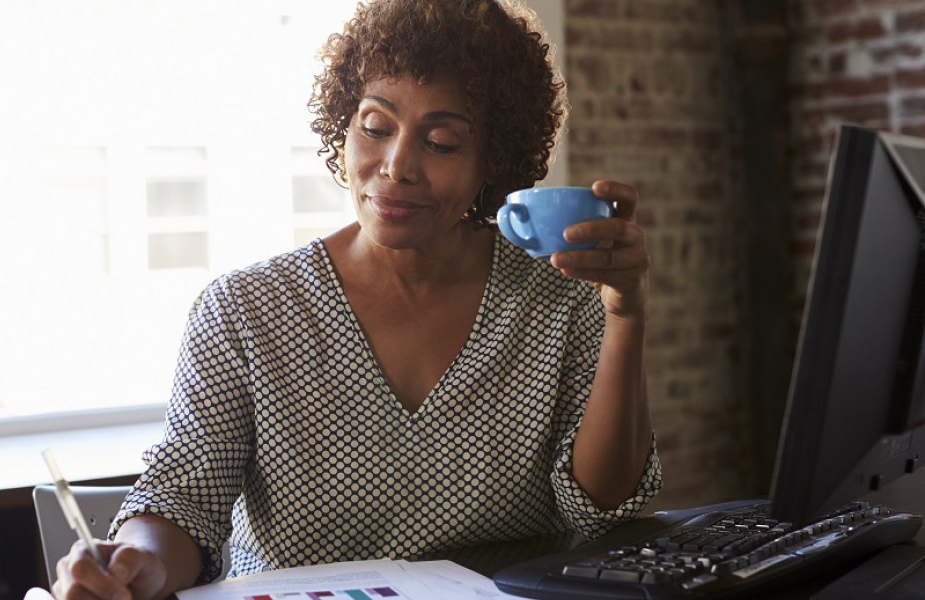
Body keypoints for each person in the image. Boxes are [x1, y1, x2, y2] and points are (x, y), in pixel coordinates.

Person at [53, 0, 661, 598]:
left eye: (443, 141)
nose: (397, 166)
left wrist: (626, 313)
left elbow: (603, 508)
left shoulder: (562, 300)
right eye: (375, 127)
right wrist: (138, 563)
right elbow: (180, 501)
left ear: (492, 161)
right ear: (343, 125)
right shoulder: (246, 312)